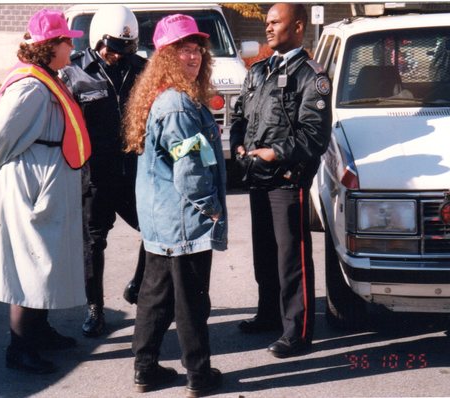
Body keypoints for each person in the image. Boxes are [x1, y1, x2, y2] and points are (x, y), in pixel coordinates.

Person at [0, 9, 91, 374]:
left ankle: (40, 331)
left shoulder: (49, 78)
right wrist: (2, 164)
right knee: (31, 264)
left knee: (45, 261)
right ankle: (20, 347)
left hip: (45, 176)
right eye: (67, 41)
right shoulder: (31, 86)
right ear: (51, 46)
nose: (71, 46)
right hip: (32, 183)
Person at [123, 14, 227, 397]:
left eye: (197, 48)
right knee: (191, 302)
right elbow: (189, 170)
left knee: (155, 297)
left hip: (160, 220)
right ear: (166, 56)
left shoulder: (161, 97)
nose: (194, 56)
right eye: (183, 49)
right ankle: (198, 376)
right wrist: (211, 207)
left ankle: (145, 370)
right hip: (184, 220)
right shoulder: (179, 106)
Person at [230, 3, 332, 358]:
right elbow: (240, 115)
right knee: (265, 253)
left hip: (287, 180)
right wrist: (239, 144)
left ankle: (298, 331)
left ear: (299, 27)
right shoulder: (258, 71)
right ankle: (269, 314)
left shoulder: (311, 76)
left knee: (292, 258)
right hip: (257, 176)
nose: (269, 28)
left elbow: (314, 136)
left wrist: (276, 153)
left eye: (277, 22)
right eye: (267, 22)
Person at [60, 5, 147, 338]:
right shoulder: (73, 72)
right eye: (111, 47)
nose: (116, 55)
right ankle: (94, 309)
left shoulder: (141, 69)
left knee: (153, 232)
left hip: (133, 172)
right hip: (94, 177)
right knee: (94, 244)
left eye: (124, 48)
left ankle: (138, 284)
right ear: (98, 40)